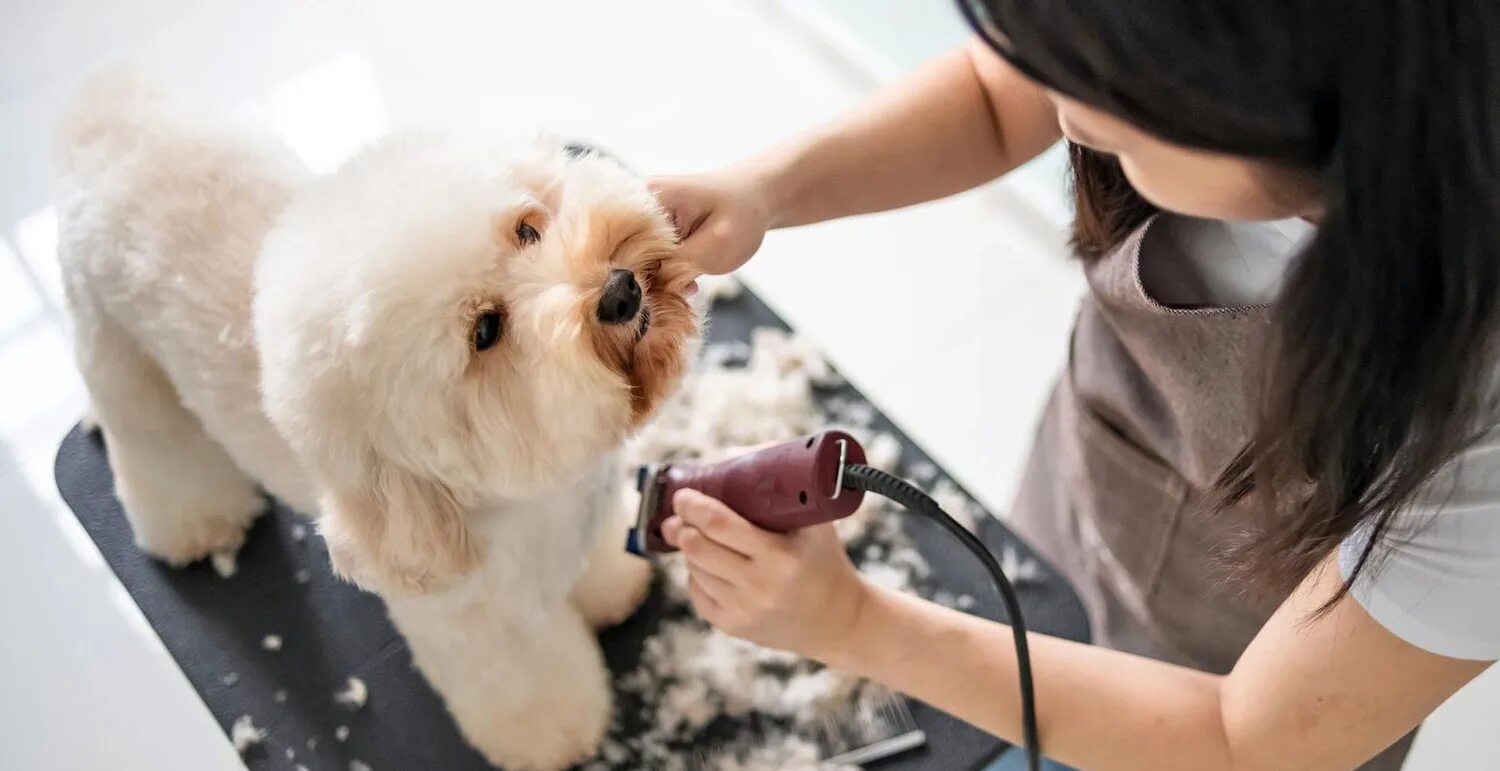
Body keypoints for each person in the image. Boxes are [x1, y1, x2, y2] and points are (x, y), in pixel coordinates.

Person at [646, 1, 1500, 769]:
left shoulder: (1482, 416)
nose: (1061, 114)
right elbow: (997, 91)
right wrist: (762, 191)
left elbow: (1245, 740)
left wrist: (854, 624)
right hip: (1088, 494)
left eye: (1107, 100)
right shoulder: (1185, 63)